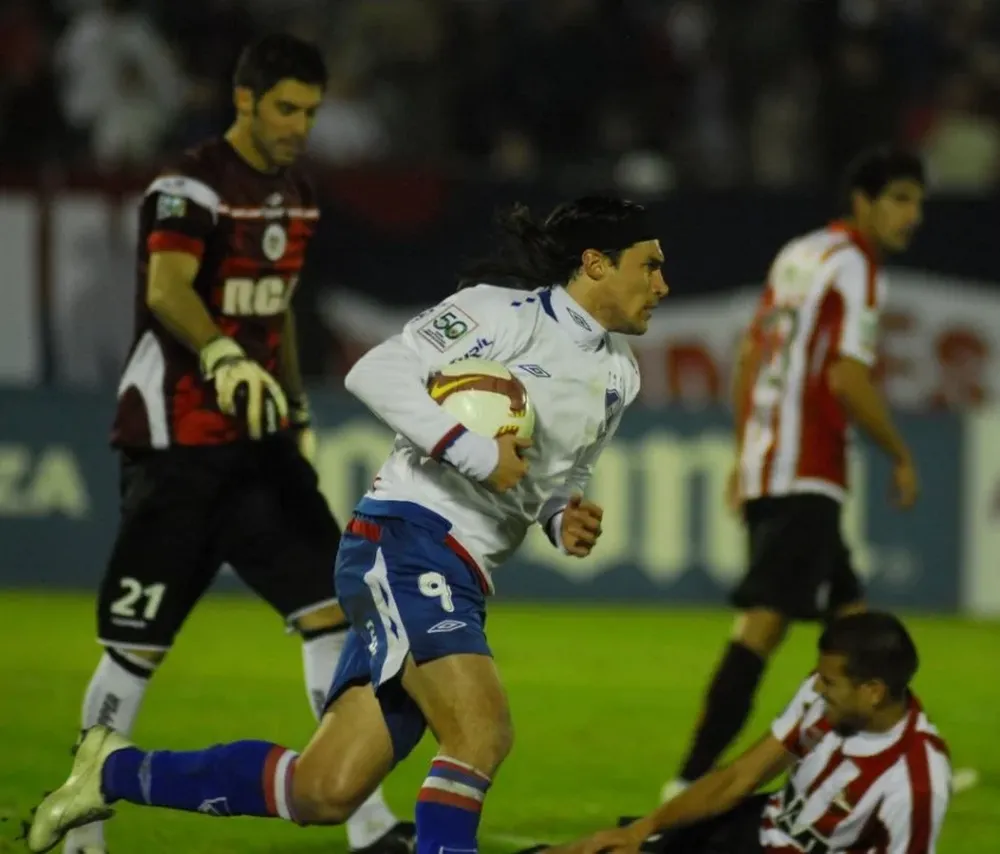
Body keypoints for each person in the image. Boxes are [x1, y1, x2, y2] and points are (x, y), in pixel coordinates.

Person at [27, 196, 669, 854]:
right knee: (480, 732)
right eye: (649, 266)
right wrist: (471, 449)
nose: (661, 286)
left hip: (462, 570)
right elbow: (377, 370)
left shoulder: (620, 375)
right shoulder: (496, 312)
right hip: (407, 537)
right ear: (595, 263)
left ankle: (108, 771)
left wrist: (563, 517)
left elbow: (557, 480)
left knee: (323, 790)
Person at [56, 34, 408, 854]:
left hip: (262, 450)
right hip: (178, 443)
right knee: (136, 644)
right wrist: (218, 354)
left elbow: (275, 308)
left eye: (311, 113)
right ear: (245, 101)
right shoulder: (189, 187)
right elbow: (167, 288)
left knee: (335, 615)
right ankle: (82, 826)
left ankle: (367, 823)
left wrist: (290, 405)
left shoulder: (298, 196)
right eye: (287, 108)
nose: (300, 126)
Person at [660, 147, 926, 803]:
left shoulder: (800, 253)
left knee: (854, 619)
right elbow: (845, 376)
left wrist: (746, 449)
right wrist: (899, 452)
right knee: (765, 626)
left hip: (776, 456)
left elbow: (752, 352)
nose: (912, 215)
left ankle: (893, 753)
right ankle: (688, 780)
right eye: (898, 198)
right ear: (861, 202)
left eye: (918, 202)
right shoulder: (858, 266)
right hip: (808, 464)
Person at [543, 611, 952, 854]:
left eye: (830, 682)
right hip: (750, 832)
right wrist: (643, 830)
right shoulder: (824, 698)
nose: (817, 688)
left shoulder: (916, 782)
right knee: (600, 849)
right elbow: (740, 777)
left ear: (873, 692)